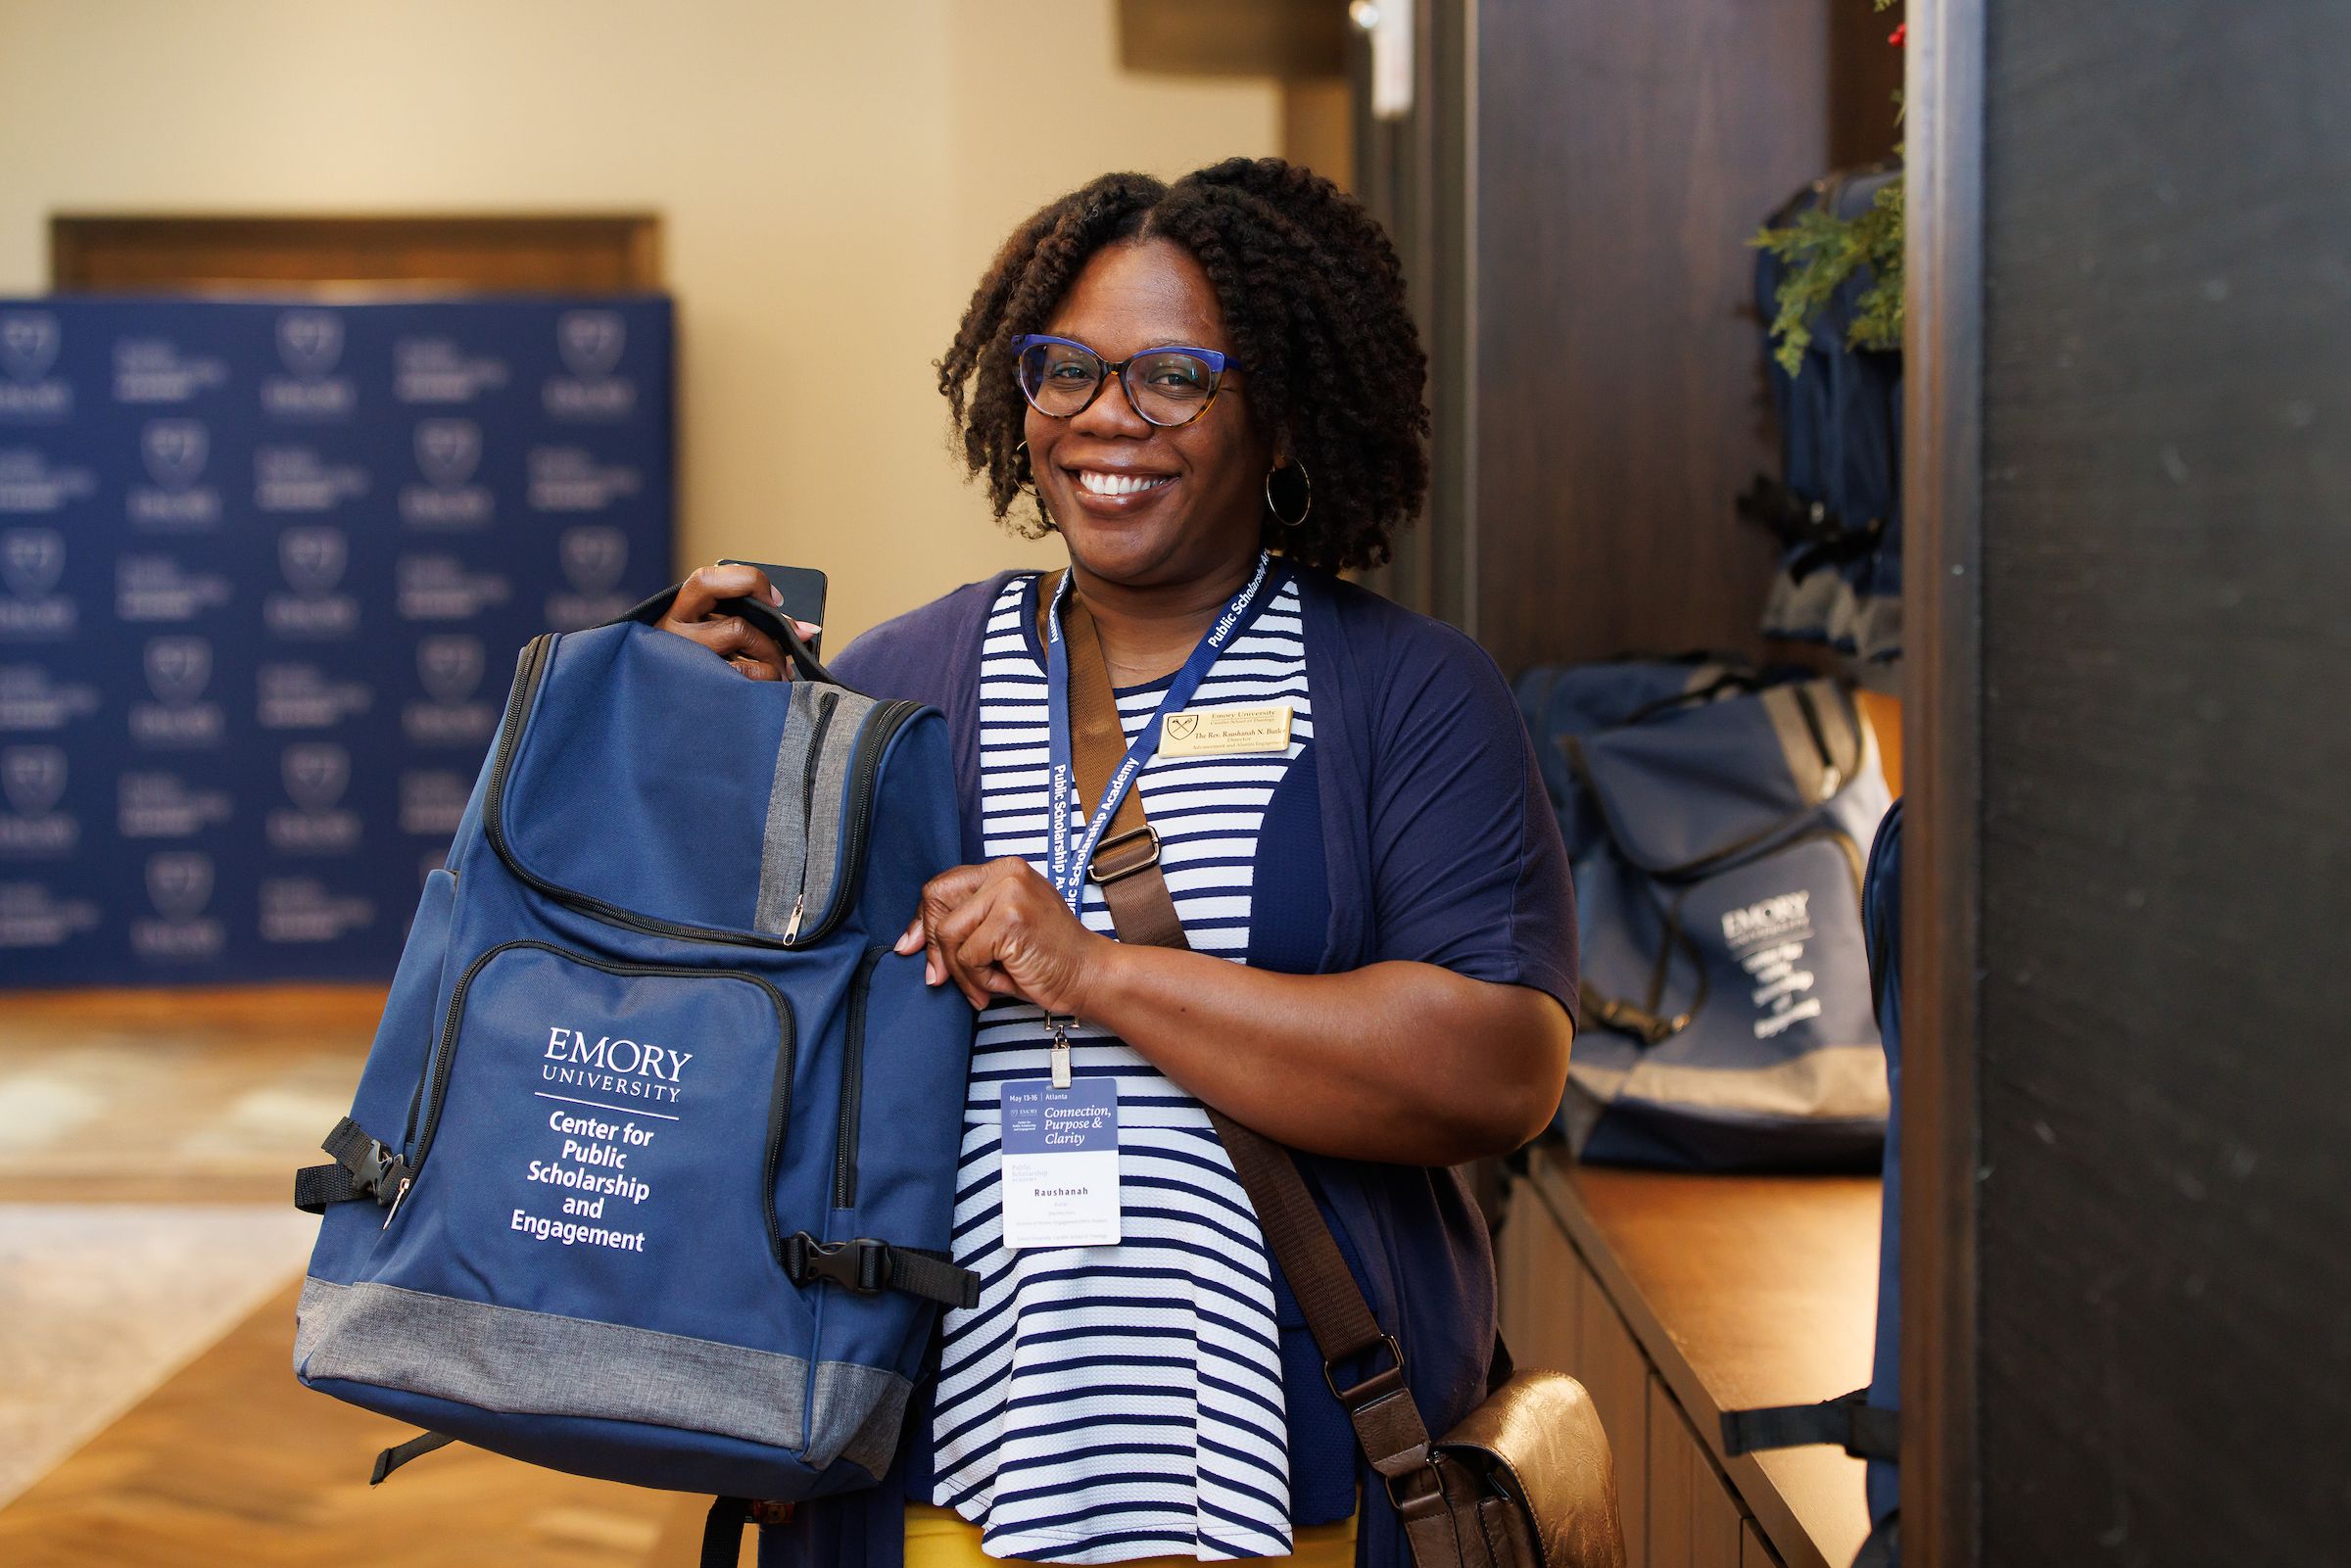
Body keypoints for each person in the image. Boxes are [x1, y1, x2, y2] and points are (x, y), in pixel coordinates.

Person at [654, 158, 1577, 1568]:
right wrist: (691, 746)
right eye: (1066, 368)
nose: (1105, 420)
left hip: (1296, 1493)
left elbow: (1498, 1065)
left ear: (1278, 414)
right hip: (929, 1485)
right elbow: (746, 1033)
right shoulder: (910, 682)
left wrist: (1093, 971)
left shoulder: (1405, 694)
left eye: (1174, 379)